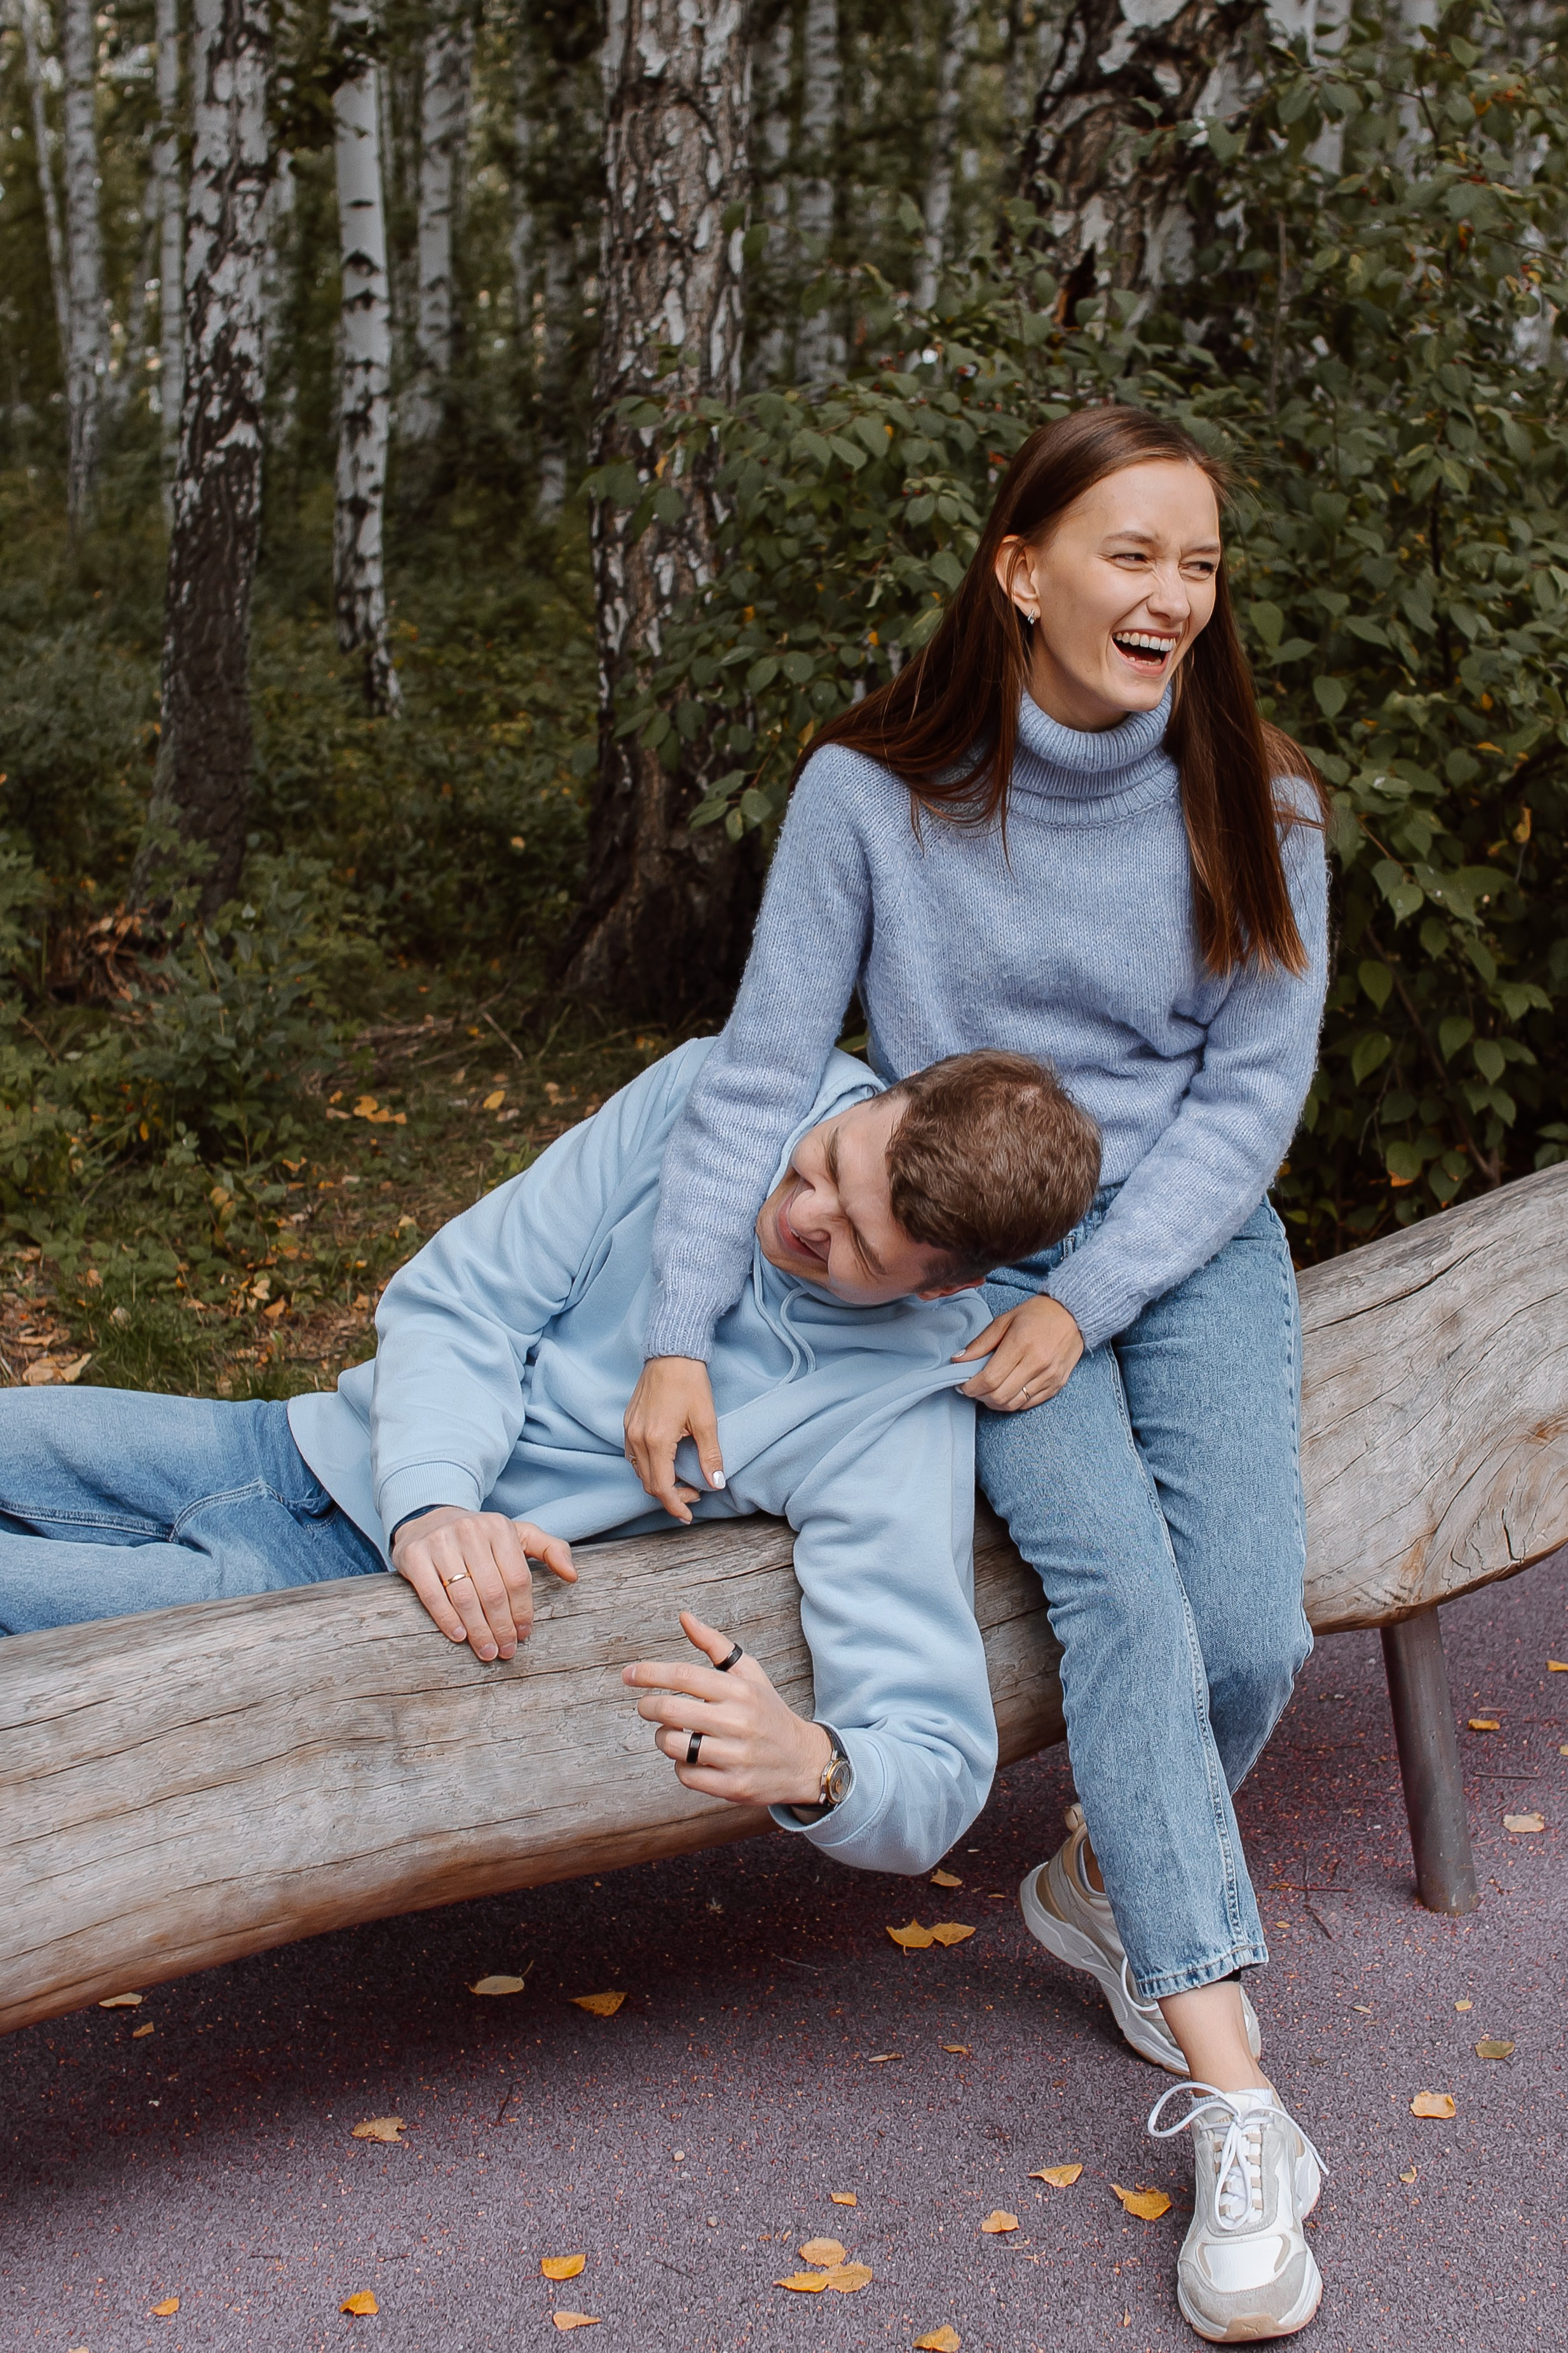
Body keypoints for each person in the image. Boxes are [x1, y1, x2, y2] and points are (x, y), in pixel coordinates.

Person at [623, 408, 1332, 2342]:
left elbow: (1244, 1103)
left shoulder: (1253, 803)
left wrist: (1086, 1300)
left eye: (1196, 564)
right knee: (1117, 1592)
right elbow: (758, 1071)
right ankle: (1242, 2101)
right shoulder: (870, 793)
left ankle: (1108, 1873)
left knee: (1247, 1629)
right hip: (961, 1264)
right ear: (1021, 567)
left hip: (1170, 1252)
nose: (1170, 597)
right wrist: (678, 1329)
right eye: (1130, 555)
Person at [0, 1037, 1098, 1876]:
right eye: (824, 1162)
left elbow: (938, 1755)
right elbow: (471, 1295)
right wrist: (434, 1501)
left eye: (857, 1242)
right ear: (877, 1097)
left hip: (334, 1603)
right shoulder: (733, 1085)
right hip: (292, 1443)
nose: (802, 1211)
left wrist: (816, 1766)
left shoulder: (894, 1410)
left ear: (944, 1285)